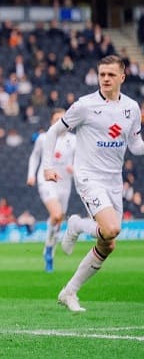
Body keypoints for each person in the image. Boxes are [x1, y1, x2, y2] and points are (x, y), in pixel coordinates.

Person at [42, 55, 144, 312]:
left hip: (113, 180)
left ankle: (69, 291)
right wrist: (47, 166)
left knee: (108, 243)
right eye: (102, 75)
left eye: (111, 75)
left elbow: (135, 145)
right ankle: (76, 224)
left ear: (122, 77)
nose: (106, 79)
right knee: (110, 229)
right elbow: (54, 131)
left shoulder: (131, 108)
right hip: (88, 176)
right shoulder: (84, 105)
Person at [26, 108, 77, 272]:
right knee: (56, 214)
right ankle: (49, 250)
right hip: (46, 180)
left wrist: (73, 168)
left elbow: (81, 160)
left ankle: (49, 248)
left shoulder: (74, 140)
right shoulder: (43, 138)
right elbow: (34, 156)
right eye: (56, 119)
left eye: (62, 119)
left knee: (58, 219)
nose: (59, 122)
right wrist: (31, 175)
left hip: (64, 183)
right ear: (51, 121)